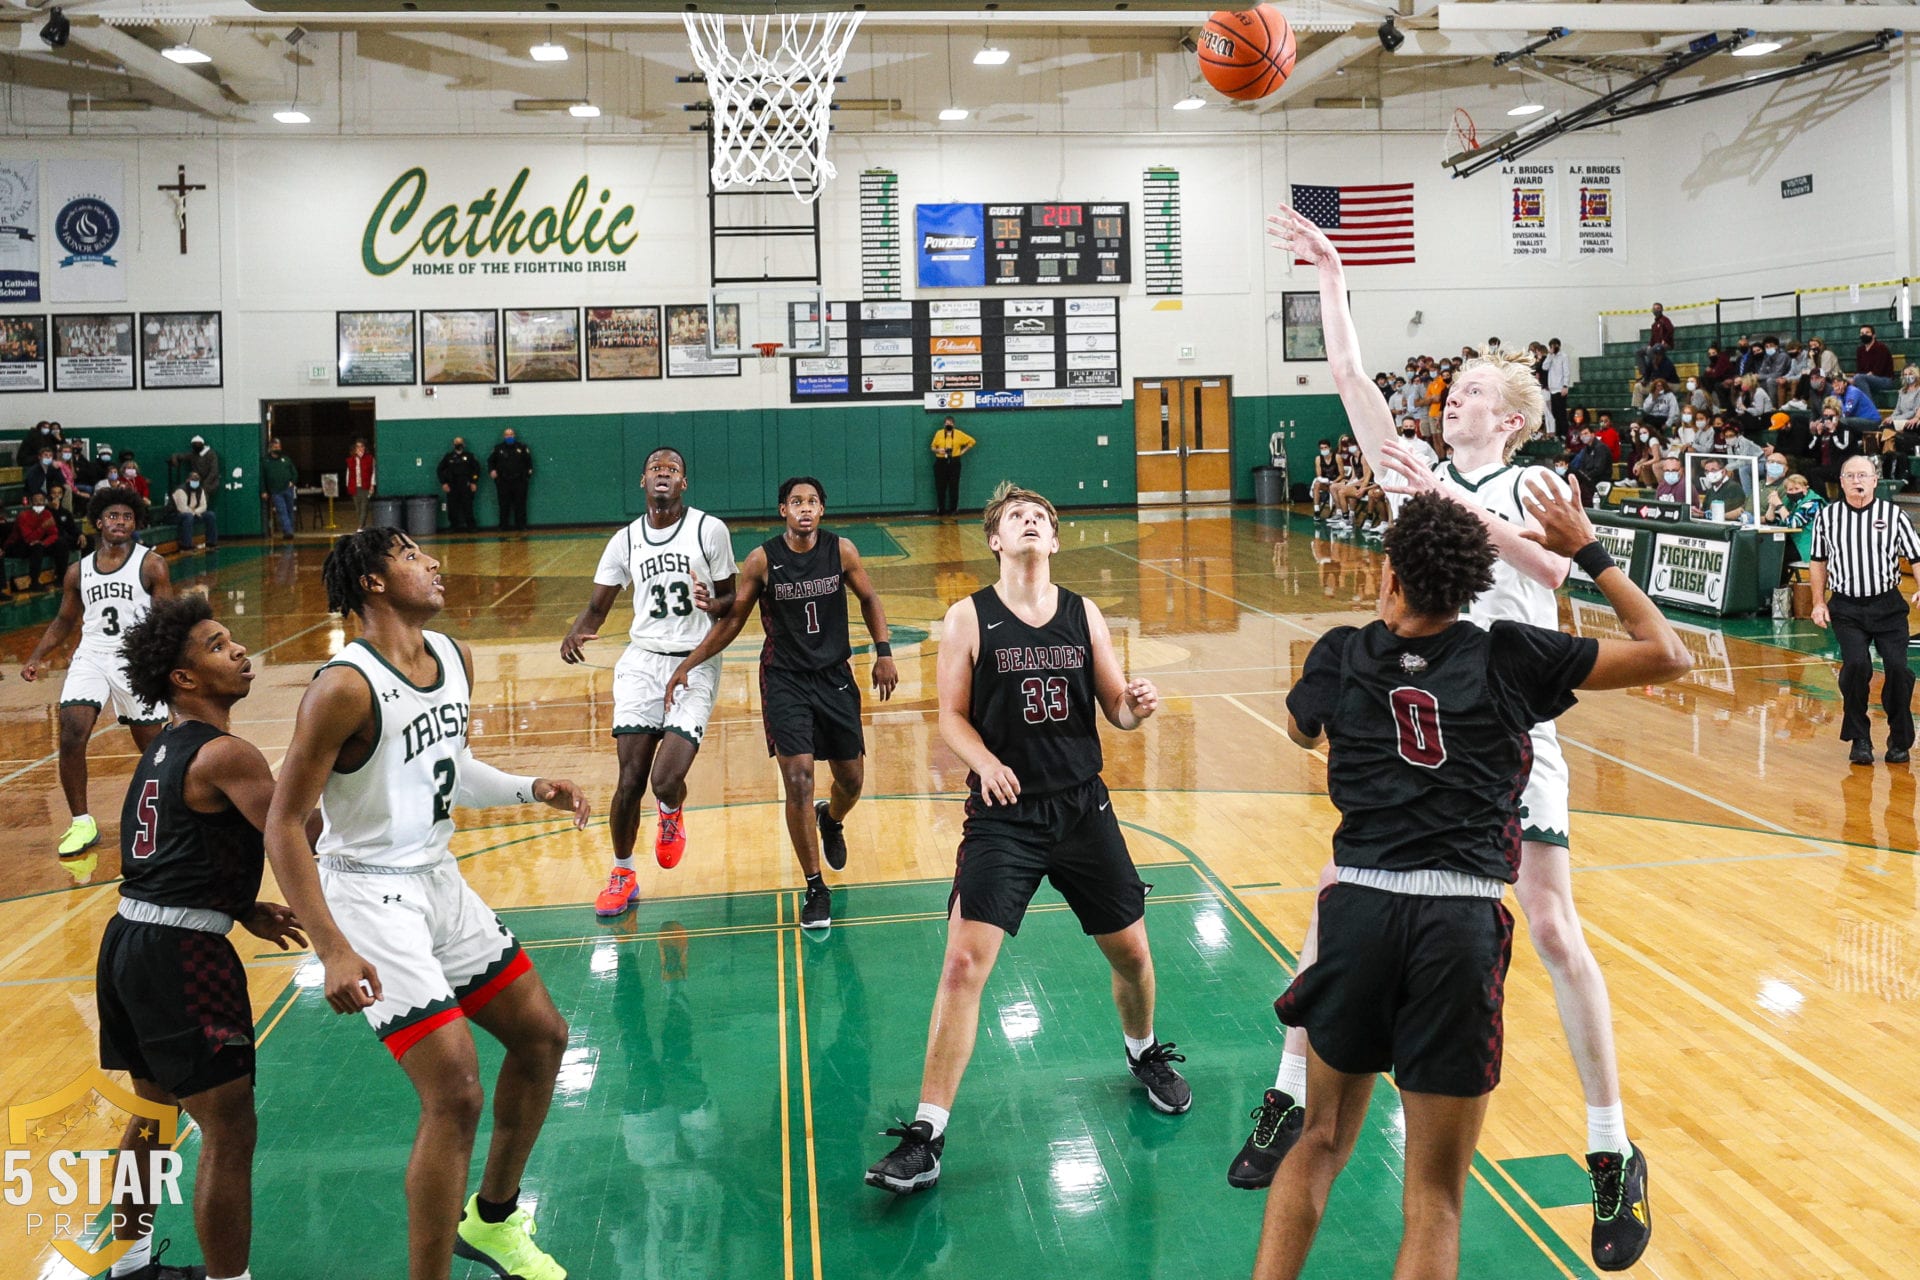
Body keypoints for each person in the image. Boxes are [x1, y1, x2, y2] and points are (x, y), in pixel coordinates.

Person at [1253, 204, 1656, 1274]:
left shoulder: (1527, 481)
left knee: (1556, 930)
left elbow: (1558, 573)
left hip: (1516, 718)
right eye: (1453, 388)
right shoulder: (1419, 467)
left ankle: (1613, 1143)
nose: (1453, 396)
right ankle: (1288, 1093)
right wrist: (1333, 275)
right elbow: (1347, 374)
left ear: (1512, 418)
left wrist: (1444, 498)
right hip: (1422, 717)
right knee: (1340, 892)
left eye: (1474, 388)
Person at [1248, 487, 1689, 1280]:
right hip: (1459, 922)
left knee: (1318, 1143)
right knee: (1435, 1197)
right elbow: (1667, 652)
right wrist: (1588, 552)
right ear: (1473, 584)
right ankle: (1612, 1147)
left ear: (1389, 575)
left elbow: (1298, 727)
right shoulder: (1511, 653)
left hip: (1359, 906)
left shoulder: (1342, 651)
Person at [262, 528, 590, 1280]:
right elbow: (284, 824)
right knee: (457, 1093)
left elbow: (451, 766)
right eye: (412, 556)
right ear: (373, 584)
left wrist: (528, 788)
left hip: (439, 881)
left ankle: (495, 1220)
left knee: (542, 1039)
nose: (433, 562)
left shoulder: (454, 656)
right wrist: (332, 947)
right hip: (367, 895)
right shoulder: (342, 687)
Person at [864, 481, 1187, 1196]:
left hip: (1081, 808)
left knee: (1132, 952)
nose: (1032, 522)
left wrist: (1135, 707)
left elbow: (1115, 710)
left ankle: (1142, 1053)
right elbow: (950, 716)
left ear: (1056, 538)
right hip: (1005, 816)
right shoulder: (968, 617)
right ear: (996, 541)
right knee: (961, 968)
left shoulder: (1083, 612)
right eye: (1018, 517)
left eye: (1042, 516)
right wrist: (986, 764)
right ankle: (926, 1136)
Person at [99, 595, 307, 1280]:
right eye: (219, 646)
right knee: (230, 1127)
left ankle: (128, 1265)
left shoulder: (162, 748)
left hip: (130, 940)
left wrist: (241, 906)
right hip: (181, 957)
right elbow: (299, 839)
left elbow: (167, 854)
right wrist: (332, 758)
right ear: (183, 679)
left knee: (156, 1110)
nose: (240, 651)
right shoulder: (227, 753)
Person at [664, 477, 899, 929]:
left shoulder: (842, 551)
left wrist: (883, 651)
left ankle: (831, 819)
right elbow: (733, 618)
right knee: (799, 778)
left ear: (822, 511)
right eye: (796, 502)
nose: (805, 509)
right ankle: (815, 887)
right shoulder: (763, 560)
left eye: (812, 502)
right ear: (782, 511)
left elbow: (869, 598)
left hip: (834, 678)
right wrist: (689, 662)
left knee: (850, 780)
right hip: (784, 680)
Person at [563, 447, 737, 913]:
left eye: (673, 468)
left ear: (684, 483)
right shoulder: (625, 540)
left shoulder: (709, 530)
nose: (664, 473)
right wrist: (577, 629)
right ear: (643, 481)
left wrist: (710, 610)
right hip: (642, 662)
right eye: (656, 468)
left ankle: (670, 810)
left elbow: (732, 604)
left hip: (694, 660)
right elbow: (599, 605)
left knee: (664, 780)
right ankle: (622, 874)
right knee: (629, 779)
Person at [20, 490, 173, 856]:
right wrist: (37, 656)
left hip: (135, 659)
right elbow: (64, 621)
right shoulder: (78, 570)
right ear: (99, 522)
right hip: (91, 656)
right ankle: (81, 823)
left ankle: (171, 816)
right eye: (112, 516)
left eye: (127, 516)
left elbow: (167, 620)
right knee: (72, 731)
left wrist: (169, 664)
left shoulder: (151, 565)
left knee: (153, 747)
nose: (119, 522)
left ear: (135, 523)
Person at [1808, 455, 1920, 766]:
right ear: (1841, 482)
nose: (1858, 481)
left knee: (1898, 669)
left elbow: (1916, 556)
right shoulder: (1827, 517)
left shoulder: (1893, 515)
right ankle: (1859, 738)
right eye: (1851, 475)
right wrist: (1818, 601)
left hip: (1888, 605)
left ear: (1875, 481)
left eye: (1864, 475)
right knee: (1856, 667)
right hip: (1846, 606)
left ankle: (1900, 739)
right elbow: (1818, 561)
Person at [5, 490, 70, 591]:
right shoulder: (23, 516)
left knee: (61, 543)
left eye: (41, 500)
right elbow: (28, 538)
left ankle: (61, 578)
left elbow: (54, 534)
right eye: (36, 501)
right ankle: (34, 583)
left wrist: (44, 543)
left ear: (45, 502)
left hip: (37, 542)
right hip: (16, 545)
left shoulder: (47, 513)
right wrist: (43, 527)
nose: (39, 503)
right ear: (31, 503)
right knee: (37, 547)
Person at [489, 428, 534, 531]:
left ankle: (521, 525)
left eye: (511, 434)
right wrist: (492, 471)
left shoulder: (522, 448)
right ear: (504, 436)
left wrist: (527, 475)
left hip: (519, 481)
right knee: (504, 504)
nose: (509, 436)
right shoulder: (498, 448)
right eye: (507, 435)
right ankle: (503, 526)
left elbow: (529, 462)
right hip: (503, 481)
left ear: (514, 435)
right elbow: (490, 462)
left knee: (520, 504)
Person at [930, 416, 976, 517]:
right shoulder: (939, 433)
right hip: (941, 461)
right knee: (940, 486)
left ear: (953, 425)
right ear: (944, 425)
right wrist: (938, 450)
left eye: (950, 424)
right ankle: (941, 509)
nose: (948, 426)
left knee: (954, 486)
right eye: (946, 424)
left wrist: (962, 451)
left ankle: (953, 509)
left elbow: (972, 441)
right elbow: (932, 447)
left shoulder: (959, 434)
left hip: (954, 461)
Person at [437, 437, 481, 532]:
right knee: (452, 507)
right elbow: (439, 470)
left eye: (460, 442)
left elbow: (477, 469)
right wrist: (444, 483)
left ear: (464, 444)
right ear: (453, 445)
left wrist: (474, 482)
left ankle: (471, 526)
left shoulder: (469, 456)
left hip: (466, 484)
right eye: (456, 442)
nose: (458, 444)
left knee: (468, 506)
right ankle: (453, 526)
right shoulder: (448, 457)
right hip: (452, 485)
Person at [171, 474, 218, 551]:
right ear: (188, 480)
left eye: (197, 480)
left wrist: (195, 512)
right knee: (188, 516)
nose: (195, 482)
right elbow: (182, 509)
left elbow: (204, 506)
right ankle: (186, 545)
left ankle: (211, 543)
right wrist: (194, 513)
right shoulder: (181, 490)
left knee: (210, 515)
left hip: (194, 514)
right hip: (174, 515)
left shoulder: (200, 490)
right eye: (193, 480)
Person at [262, 438, 298, 538]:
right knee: (282, 511)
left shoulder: (286, 459)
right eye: (275, 447)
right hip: (275, 491)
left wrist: (292, 482)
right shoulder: (266, 461)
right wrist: (264, 491)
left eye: (279, 447)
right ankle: (288, 531)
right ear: (270, 448)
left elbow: (294, 472)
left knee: (290, 510)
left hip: (288, 489)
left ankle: (289, 530)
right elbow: (263, 477)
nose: (277, 449)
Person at [1855, 324, 1896, 395]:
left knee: (1859, 378)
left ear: (1874, 335)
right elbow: (1859, 370)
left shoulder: (1881, 348)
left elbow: (1878, 370)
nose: (1864, 335)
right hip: (1866, 379)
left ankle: (1868, 405)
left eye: (1867, 332)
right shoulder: (1860, 350)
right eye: (1862, 333)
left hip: (1885, 380)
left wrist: (1864, 376)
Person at [345, 438, 376, 530]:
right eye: (357, 446)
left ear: (365, 448)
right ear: (354, 448)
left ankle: (360, 526)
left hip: (365, 486)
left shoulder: (370, 458)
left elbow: (373, 472)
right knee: (358, 508)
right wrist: (348, 485)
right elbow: (348, 473)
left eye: (361, 446)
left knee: (364, 507)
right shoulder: (350, 460)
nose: (359, 448)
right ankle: (362, 525)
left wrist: (372, 485)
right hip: (354, 486)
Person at [1308, 439, 1340, 520]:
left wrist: (1334, 482)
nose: (1323, 450)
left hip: (1337, 482)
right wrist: (1324, 481)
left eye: (1325, 447)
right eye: (1321, 448)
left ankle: (1339, 512)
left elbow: (1342, 475)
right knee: (1317, 484)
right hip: (1326, 483)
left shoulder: (1337, 457)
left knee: (1333, 487)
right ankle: (1317, 511)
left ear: (1330, 448)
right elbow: (1319, 475)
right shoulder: (1318, 459)